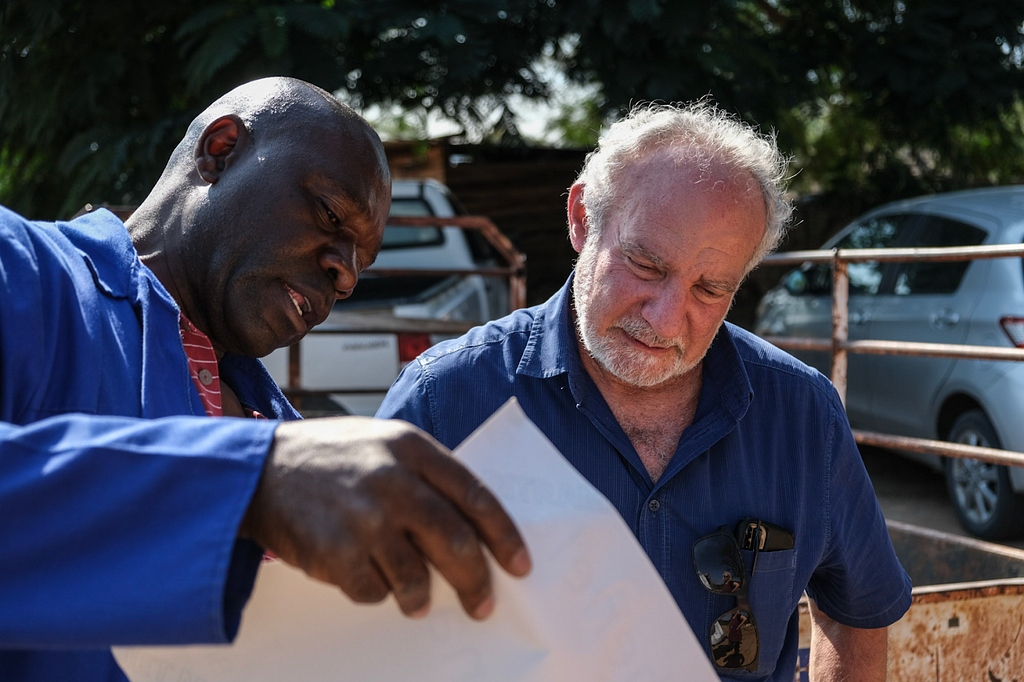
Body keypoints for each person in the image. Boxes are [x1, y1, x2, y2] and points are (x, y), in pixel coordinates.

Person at [0, 77, 530, 682]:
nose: (346, 274)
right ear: (219, 150)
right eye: (330, 214)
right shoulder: (25, 273)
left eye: (361, 259)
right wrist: (247, 484)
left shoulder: (282, 431)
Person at [377, 101, 912, 681]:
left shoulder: (801, 414)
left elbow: (858, 612)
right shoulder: (447, 398)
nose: (664, 319)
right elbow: (356, 628)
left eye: (710, 289)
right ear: (582, 218)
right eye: (645, 265)